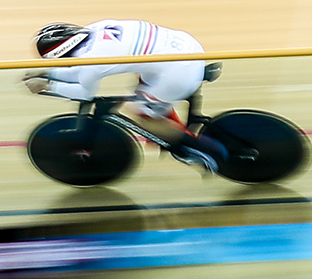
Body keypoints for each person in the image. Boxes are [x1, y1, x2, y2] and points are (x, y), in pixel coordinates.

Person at [25, 21, 228, 172]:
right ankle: (169, 124)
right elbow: (80, 72)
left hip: (177, 73)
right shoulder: (97, 27)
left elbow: (84, 93)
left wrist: (48, 85)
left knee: (142, 114)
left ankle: (202, 150)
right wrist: (49, 73)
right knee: (144, 90)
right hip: (184, 48)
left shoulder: (92, 62)